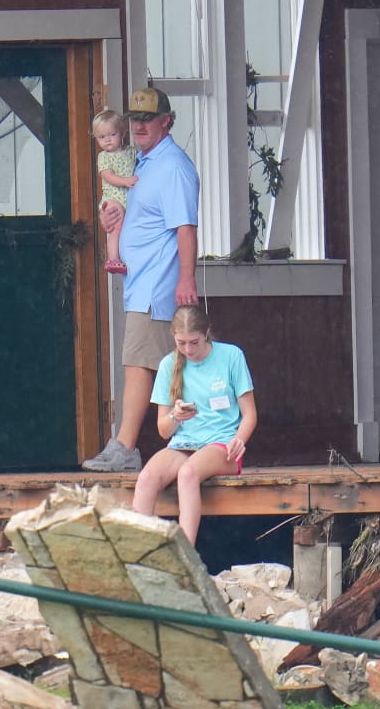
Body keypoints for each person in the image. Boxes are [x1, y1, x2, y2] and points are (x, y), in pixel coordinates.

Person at [82, 87, 200, 472]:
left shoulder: (174, 167)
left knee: (140, 364)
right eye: (134, 119)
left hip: (157, 286)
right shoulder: (144, 162)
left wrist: (186, 279)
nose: (139, 126)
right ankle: (177, 446)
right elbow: (133, 209)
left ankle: (125, 447)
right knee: (165, 366)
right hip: (141, 285)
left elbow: (185, 228)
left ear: (166, 120)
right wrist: (112, 218)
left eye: (147, 119)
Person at [132, 305, 255, 544]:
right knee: (146, 477)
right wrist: (176, 416)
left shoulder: (231, 356)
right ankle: (138, 551)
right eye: (181, 343)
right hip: (183, 443)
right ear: (174, 339)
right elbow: (163, 430)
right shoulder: (169, 364)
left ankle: (185, 553)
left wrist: (239, 440)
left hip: (222, 443)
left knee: (187, 474)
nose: (188, 350)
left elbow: (249, 414)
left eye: (194, 342)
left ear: (206, 334)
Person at [92, 109, 138, 274]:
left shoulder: (131, 151)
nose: (108, 140)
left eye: (112, 134)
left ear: (123, 133)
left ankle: (123, 256)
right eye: (102, 137)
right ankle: (113, 259)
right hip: (112, 198)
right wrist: (125, 181)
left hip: (127, 198)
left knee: (125, 226)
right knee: (117, 227)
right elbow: (108, 176)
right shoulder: (104, 157)